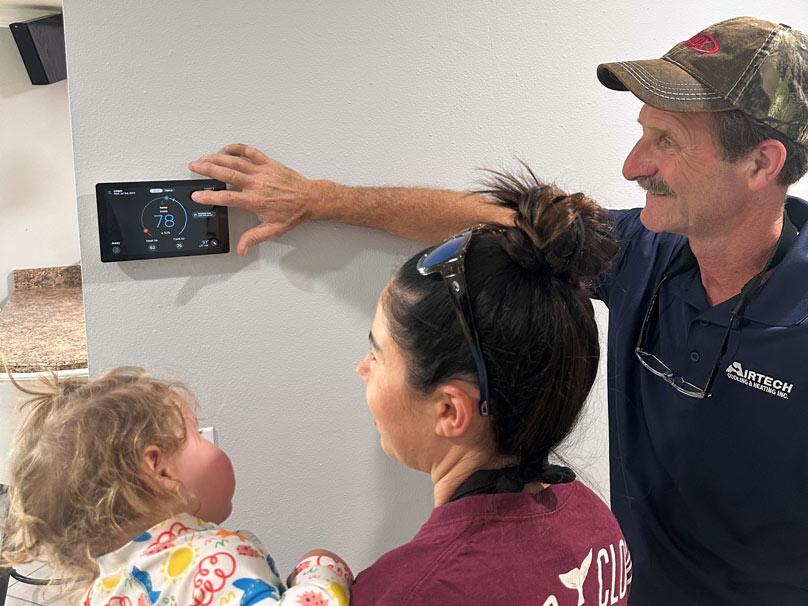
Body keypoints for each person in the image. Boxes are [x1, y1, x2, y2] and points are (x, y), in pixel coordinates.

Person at [189, 16, 808, 604]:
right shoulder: (646, 252)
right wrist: (321, 199)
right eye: (643, 132)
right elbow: (500, 225)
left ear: (761, 163)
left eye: (666, 142)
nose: (633, 165)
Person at [344, 172, 629, 605]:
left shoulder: (409, 591)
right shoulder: (597, 528)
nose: (362, 369)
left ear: (450, 411)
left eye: (378, 354)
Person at [0, 368, 353, 606]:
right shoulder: (213, 563)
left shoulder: (102, 593)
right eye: (195, 433)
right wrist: (320, 571)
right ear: (160, 470)